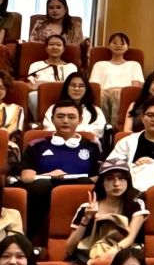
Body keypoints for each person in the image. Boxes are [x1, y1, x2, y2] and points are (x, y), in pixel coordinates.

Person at [61, 163, 147, 265]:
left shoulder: (135, 203)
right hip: (82, 261)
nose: (116, 184)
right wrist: (87, 219)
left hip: (119, 259)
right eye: (110, 179)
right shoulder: (86, 207)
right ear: (101, 182)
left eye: (121, 178)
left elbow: (130, 237)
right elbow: (69, 248)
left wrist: (108, 255)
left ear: (128, 181)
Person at [18, 101, 98, 242]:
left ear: (80, 120)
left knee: (85, 183)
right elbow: (26, 177)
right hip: (44, 192)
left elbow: (97, 177)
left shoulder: (91, 146)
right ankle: (30, 240)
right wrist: (48, 176)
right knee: (40, 186)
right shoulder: (37, 145)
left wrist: (68, 178)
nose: (65, 121)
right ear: (52, 119)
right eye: (60, 116)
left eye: (71, 117)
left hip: (78, 193)